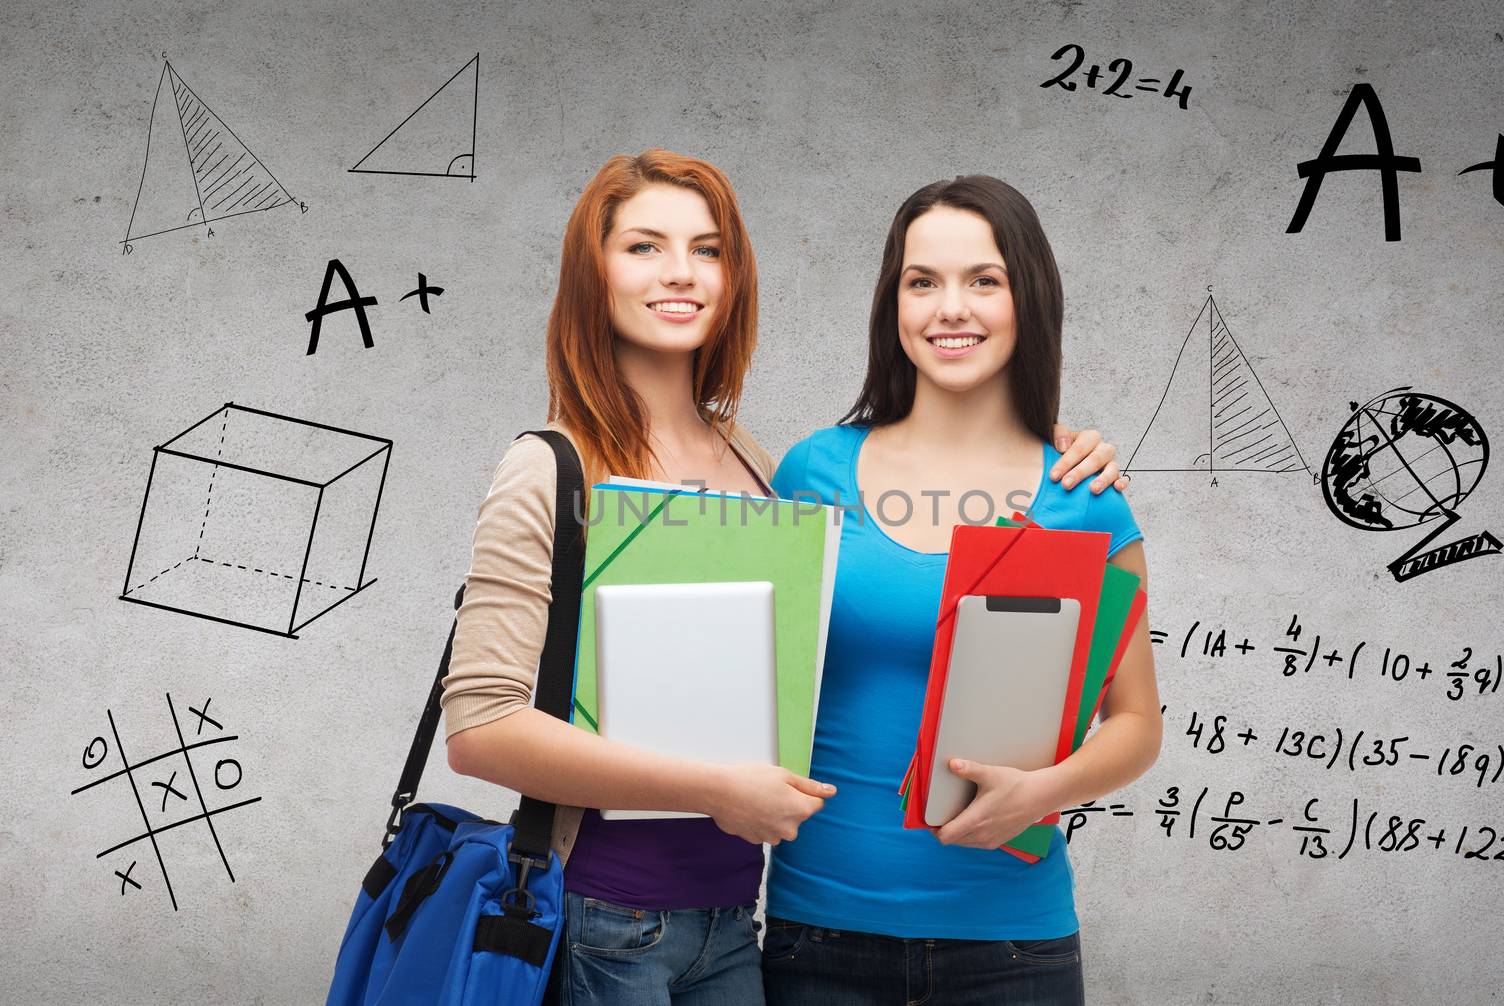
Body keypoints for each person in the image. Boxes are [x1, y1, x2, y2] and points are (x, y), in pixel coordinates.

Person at [440, 151, 1128, 1004]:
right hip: (600, 916)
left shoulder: (764, 473)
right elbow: (479, 730)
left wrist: (1035, 441)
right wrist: (714, 788)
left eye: (709, 249)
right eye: (644, 247)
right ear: (594, 275)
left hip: (733, 927)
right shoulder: (552, 467)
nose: (680, 274)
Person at [761, 175, 1162, 1006]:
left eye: (984, 280)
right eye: (922, 282)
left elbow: (1137, 725)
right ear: (892, 304)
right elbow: (753, 685)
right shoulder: (810, 473)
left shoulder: (1086, 497)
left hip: (1012, 946)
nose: (951, 308)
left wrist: (1045, 791)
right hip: (818, 936)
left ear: (1030, 299)